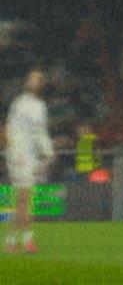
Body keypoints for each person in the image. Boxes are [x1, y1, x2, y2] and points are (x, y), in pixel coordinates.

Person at [4, 68, 55, 253]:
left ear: (41, 85)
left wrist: (48, 152)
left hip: (29, 158)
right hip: (20, 157)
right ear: (28, 83)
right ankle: (26, 241)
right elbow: (9, 129)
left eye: (38, 80)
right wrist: (13, 153)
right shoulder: (20, 103)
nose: (34, 82)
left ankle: (11, 241)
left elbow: (40, 133)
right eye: (32, 79)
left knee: (22, 202)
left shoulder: (39, 106)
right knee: (25, 200)